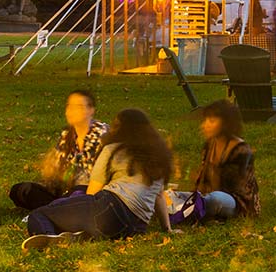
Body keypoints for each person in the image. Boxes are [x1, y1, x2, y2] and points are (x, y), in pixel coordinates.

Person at [21, 107, 171, 250]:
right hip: (136, 227)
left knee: (39, 214)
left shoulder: (112, 150)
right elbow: (159, 197)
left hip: (110, 208)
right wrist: (167, 229)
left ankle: (49, 238)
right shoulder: (159, 158)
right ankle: (78, 234)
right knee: (86, 222)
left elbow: (93, 191)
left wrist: (78, 209)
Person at [8, 89, 108, 210]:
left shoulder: (101, 135)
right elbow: (55, 176)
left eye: (78, 106)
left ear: (91, 110)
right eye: (69, 106)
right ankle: (57, 210)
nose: (72, 111)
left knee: (75, 194)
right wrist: (50, 169)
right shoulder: (67, 136)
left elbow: (98, 177)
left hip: (91, 194)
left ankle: (56, 210)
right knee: (21, 190)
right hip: (66, 192)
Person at [171, 99, 259, 225]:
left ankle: (190, 210)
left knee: (214, 200)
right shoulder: (210, 144)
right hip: (207, 195)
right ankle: (189, 209)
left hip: (235, 202)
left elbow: (227, 187)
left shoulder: (240, 149)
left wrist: (200, 179)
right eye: (205, 120)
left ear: (226, 123)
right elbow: (201, 182)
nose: (205, 125)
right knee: (169, 196)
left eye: (211, 121)